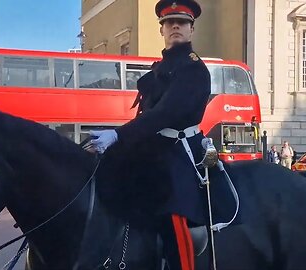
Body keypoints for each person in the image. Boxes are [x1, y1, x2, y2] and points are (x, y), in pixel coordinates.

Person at [88, 1, 217, 269]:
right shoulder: (160, 67)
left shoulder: (193, 69)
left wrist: (118, 135)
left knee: (173, 209)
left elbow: (166, 113)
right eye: (169, 23)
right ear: (162, 30)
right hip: (153, 147)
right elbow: (145, 117)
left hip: (180, 149)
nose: (175, 27)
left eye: (181, 23)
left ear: (191, 29)